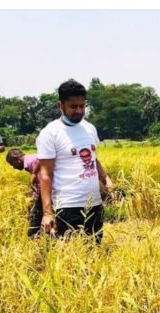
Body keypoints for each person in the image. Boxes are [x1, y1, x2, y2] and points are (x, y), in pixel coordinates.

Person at [37, 79, 114, 244]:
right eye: (73, 107)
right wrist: (48, 212)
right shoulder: (51, 133)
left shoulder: (89, 128)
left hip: (94, 204)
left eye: (82, 106)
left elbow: (94, 158)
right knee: (70, 259)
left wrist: (104, 178)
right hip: (67, 206)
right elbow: (45, 174)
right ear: (60, 105)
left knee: (94, 252)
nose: (79, 111)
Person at [6, 149, 42, 238]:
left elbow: (44, 183)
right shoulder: (31, 160)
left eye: (12, 164)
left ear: (17, 159)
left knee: (35, 221)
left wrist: (37, 201)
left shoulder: (32, 162)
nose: (13, 167)